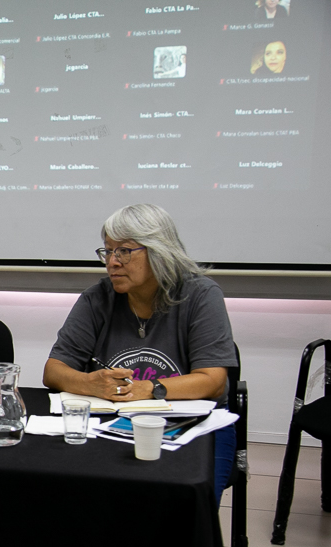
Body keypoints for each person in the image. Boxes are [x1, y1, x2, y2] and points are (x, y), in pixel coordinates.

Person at [42, 204, 238, 499]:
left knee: (184, 501)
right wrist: (89, 383)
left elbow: (213, 381)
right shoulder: (97, 298)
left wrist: (149, 388)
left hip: (195, 429)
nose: (112, 262)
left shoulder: (200, 295)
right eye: (108, 251)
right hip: (114, 426)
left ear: (159, 251)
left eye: (124, 251)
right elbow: (53, 370)